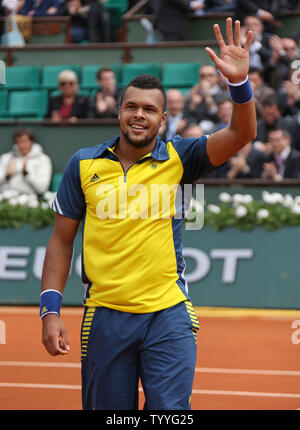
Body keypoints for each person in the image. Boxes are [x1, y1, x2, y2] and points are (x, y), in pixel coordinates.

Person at [40, 18, 256, 410]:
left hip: (168, 314)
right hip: (105, 315)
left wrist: (239, 84)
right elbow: (60, 240)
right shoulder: (83, 164)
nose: (139, 115)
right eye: (132, 107)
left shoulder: (181, 156)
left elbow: (241, 135)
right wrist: (50, 311)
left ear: (163, 119)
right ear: (119, 111)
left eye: (150, 110)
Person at [0, 127, 52, 195]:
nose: (22, 145)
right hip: (5, 199)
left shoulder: (43, 159)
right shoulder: (6, 158)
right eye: (18, 142)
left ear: (32, 142)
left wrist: (26, 173)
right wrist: (8, 176)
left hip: (31, 202)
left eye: (24, 141)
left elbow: (42, 189)